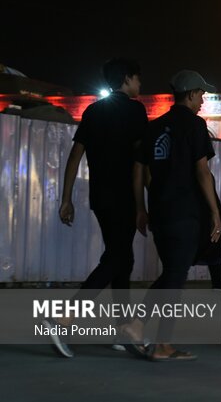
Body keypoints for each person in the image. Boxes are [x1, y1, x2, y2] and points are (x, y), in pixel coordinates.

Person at [45, 58, 147, 358]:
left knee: (120, 258)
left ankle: (123, 328)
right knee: (117, 258)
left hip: (100, 199)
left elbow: (75, 155)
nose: (140, 85)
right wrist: (144, 203)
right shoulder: (136, 111)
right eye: (138, 79)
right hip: (124, 197)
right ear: (127, 79)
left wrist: (66, 198)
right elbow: (142, 162)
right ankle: (64, 317)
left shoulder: (93, 110)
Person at [121, 69, 221, 362]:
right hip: (184, 213)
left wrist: (141, 208)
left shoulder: (155, 127)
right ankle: (149, 334)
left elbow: (138, 169)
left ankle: (148, 333)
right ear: (190, 94)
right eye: (201, 94)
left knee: (171, 275)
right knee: (175, 277)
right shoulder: (195, 126)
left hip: (160, 213)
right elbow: (202, 171)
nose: (203, 99)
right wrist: (215, 212)